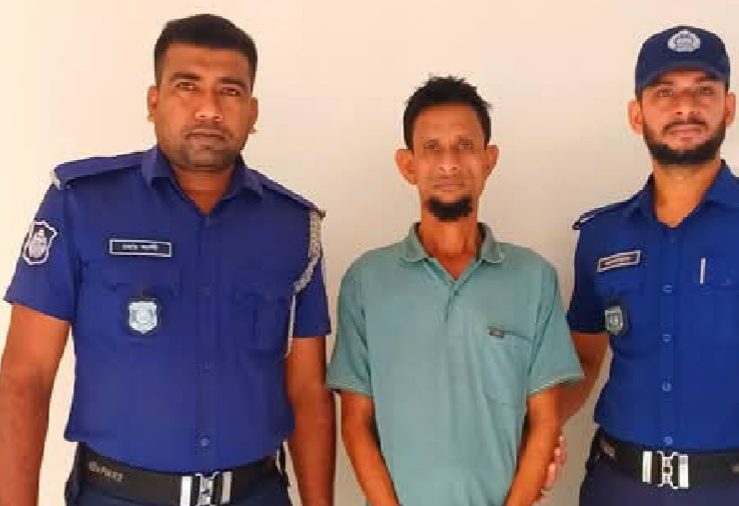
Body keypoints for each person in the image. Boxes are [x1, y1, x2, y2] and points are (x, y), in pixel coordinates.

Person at [0, 14, 335, 506]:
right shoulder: (83, 206)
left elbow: (307, 393)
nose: (209, 109)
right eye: (187, 86)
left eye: (230, 91)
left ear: (252, 111)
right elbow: (25, 376)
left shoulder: (292, 226)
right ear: (153, 102)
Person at [326, 76, 583, 506]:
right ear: (408, 165)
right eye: (432, 147)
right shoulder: (366, 281)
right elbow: (355, 423)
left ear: (489, 159)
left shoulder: (534, 278)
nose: (449, 163)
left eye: (465, 146)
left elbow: (544, 421)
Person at [563, 25, 739, 505]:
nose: (685, 107)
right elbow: (583, 359)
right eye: (665, 93)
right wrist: (532, 432)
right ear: (636, 114)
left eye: (703, 90)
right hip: (619, 487)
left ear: (728, 107)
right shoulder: (601, 237)